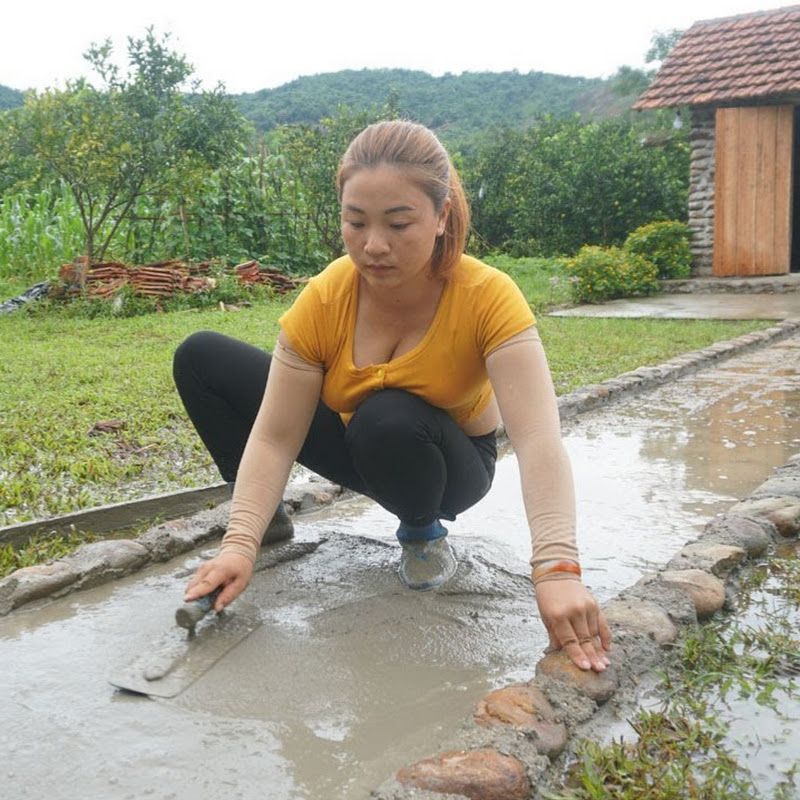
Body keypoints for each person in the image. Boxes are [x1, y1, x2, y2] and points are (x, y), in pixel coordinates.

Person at [175, 120, 612, 672]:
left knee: (389, 416)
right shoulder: (326, 297)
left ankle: (424, 534)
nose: (373, 246)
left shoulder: (487, 297)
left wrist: (557, 569)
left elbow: (540, 441)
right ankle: (266, 522)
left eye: (398, 224)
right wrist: (239, 542)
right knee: (202, 355)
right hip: (359, 443)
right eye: (355, 223)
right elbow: (276, 432)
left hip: (451, 466)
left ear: (441, 217)